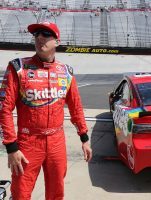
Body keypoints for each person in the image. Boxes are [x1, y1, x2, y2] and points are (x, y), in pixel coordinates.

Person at [0, 21, 92, 200]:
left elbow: (76, 107)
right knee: (20, 193)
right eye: (36, 34)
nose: (40, 37)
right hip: (28, 141)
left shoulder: (66, 72)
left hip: (57, 141)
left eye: (46, 34)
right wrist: (12, 147)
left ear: (57, 41)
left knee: (56, 193)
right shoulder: (18, 68)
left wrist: (84, 138)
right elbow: (4, 109)